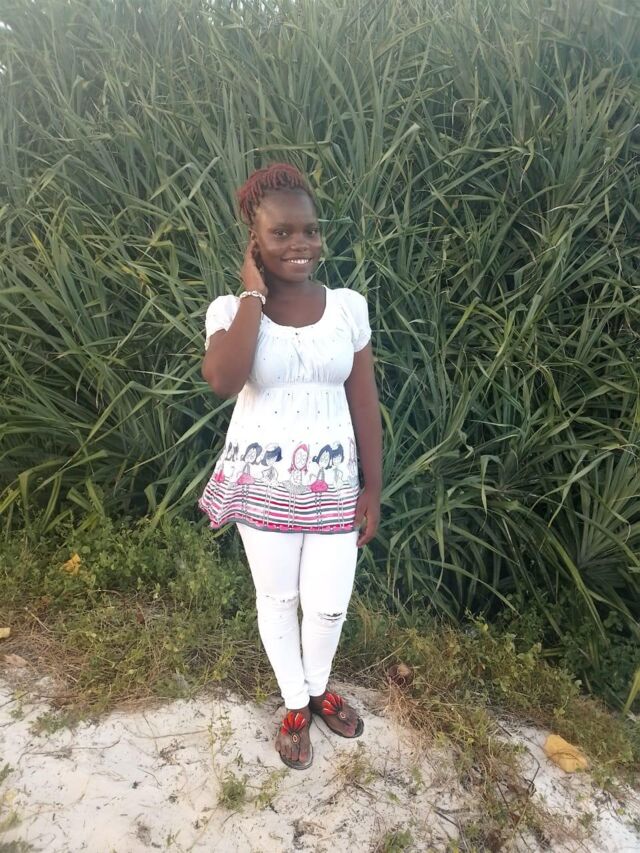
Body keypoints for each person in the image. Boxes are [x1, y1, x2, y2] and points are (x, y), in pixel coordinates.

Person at [199, 163, 382, 770]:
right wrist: (253, 295)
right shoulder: (229, 310)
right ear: (254, 240)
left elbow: (364, 402)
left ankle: (318, 686)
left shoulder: (347, 308)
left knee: (329, 605)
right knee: (278, 599)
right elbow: (224, 380)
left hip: (334, 488)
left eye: (310, 230)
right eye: (281, 233)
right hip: (261, 487)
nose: (300, 244)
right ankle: (296, 704)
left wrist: (373, 487)